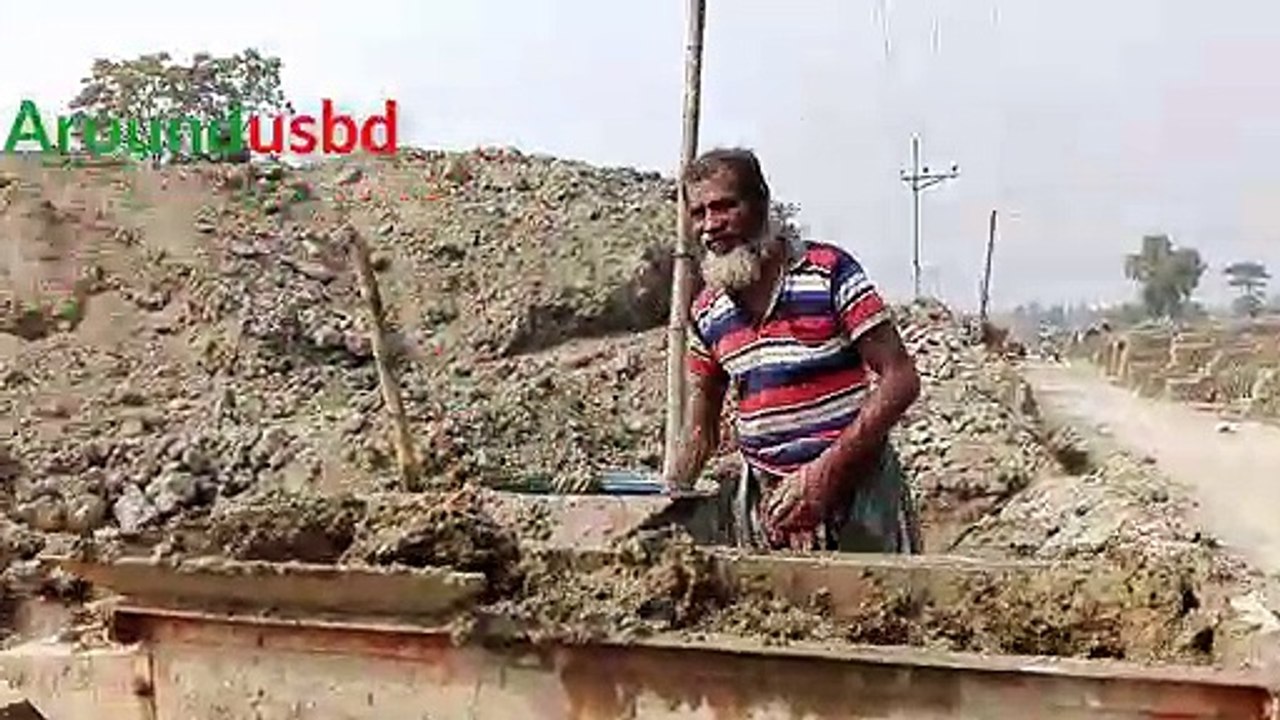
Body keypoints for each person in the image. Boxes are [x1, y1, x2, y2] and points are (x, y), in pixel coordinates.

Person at [663, 147, 924, 554]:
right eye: (699, 213)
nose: (710, 226)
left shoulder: (829, 272)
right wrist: (666, 498)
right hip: (770, 509)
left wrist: (826, 473)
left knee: (879, 612)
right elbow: (701, 429)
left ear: (761, 204)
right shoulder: (707, 313)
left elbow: (901, 379)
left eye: (725, 207)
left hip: (859, 497)